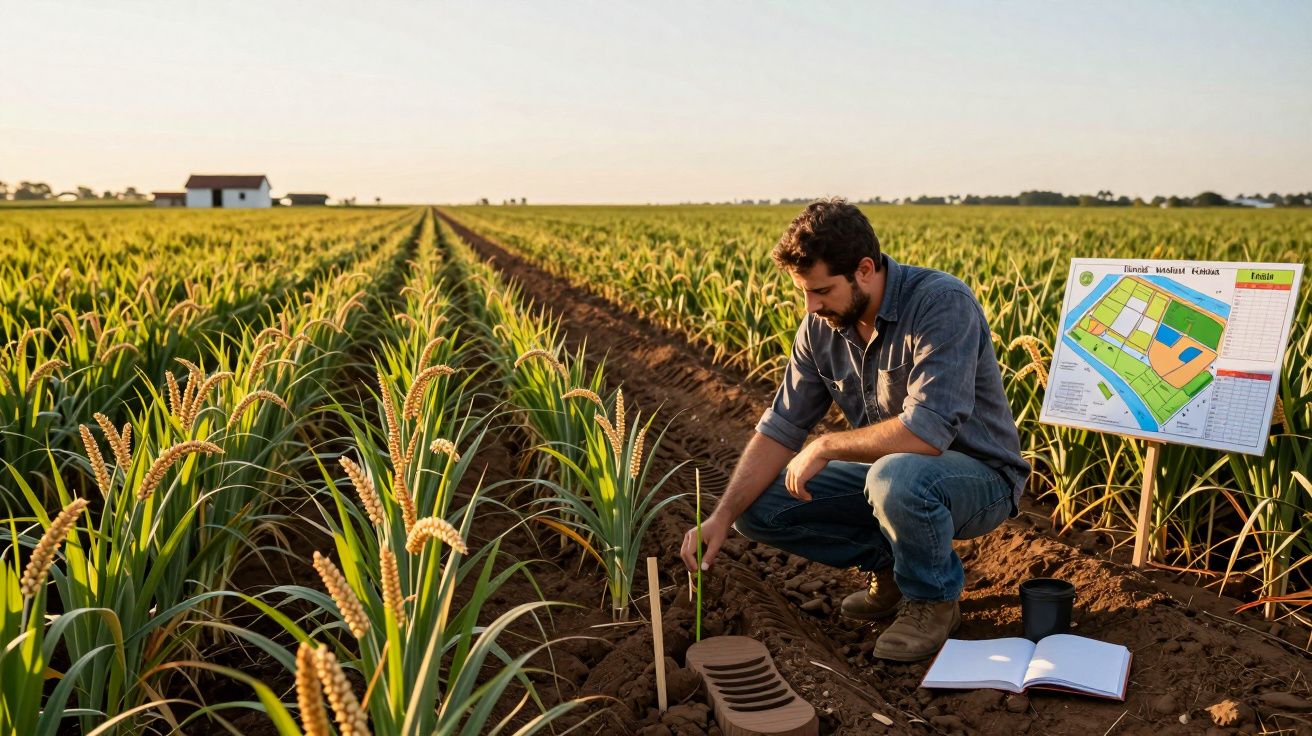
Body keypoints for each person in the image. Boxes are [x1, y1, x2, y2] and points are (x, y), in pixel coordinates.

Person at [680, 198, 1030, 662]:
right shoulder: (820, 326)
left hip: (980, 478)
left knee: (896, 477)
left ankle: (933, 600)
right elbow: (781, 426)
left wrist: (826, 444)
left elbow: (928, 432)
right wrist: (721, 516)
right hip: (895, 474)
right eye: (804, 291)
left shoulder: (941, 304)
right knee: (758, 507)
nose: (810, 305)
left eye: (821, 290)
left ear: (865, 269)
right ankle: (891, 567)